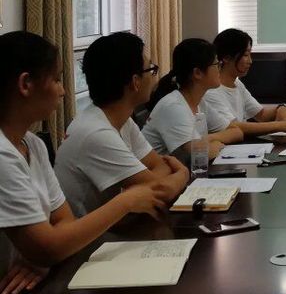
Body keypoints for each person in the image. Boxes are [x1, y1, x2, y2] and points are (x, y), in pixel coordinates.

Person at [0, 32, 164, 294]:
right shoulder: (3, 155)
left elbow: (63, 223)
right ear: (26, 84)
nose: (63, 91)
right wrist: (127, 201)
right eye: (56, 79)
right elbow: (49, 246)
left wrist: (47, 254)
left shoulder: (33, 144)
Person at [54, 33, 189, 217]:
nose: (154, 78)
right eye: (151, 70)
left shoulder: (121, 120)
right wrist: (183, 172)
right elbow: (160, 191)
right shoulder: (96, 133)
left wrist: (158, 182)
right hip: (97, 234)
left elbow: (157, 166)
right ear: (135, 82)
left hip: (121, 224)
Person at [143, 39, 243, 162]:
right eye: (216, 64)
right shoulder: (173, 106)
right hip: (157, 172)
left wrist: (207, 139)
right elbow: (200, 154)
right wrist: (210, 144)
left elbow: (237, 132)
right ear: (197, 73)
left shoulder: (199, 102)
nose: (219, 69)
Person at [204, 29, 286, 136]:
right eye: (245, 55)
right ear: (226, 58)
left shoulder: (237, 84)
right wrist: (281, 125)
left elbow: (261, 114)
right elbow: (233, 127)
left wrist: (281, 108)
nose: (250, 61)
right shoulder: (210, 90)